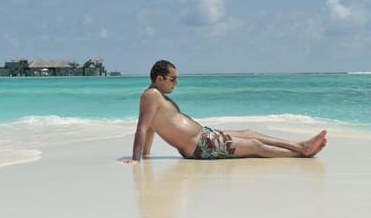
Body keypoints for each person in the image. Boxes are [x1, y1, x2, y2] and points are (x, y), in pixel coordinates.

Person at [125, 60, 327, 163]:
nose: (176, 83)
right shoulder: (151, 95)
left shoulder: (156, 98)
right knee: (255, 145)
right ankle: (301, 151)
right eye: (172, 79)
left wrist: (146, 154)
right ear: (159, 78)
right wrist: (137, 159)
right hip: (201, 147)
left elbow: (151, 127)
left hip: (205, 136)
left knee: (251, 133)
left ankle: (299, 146)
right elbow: (142, 128)